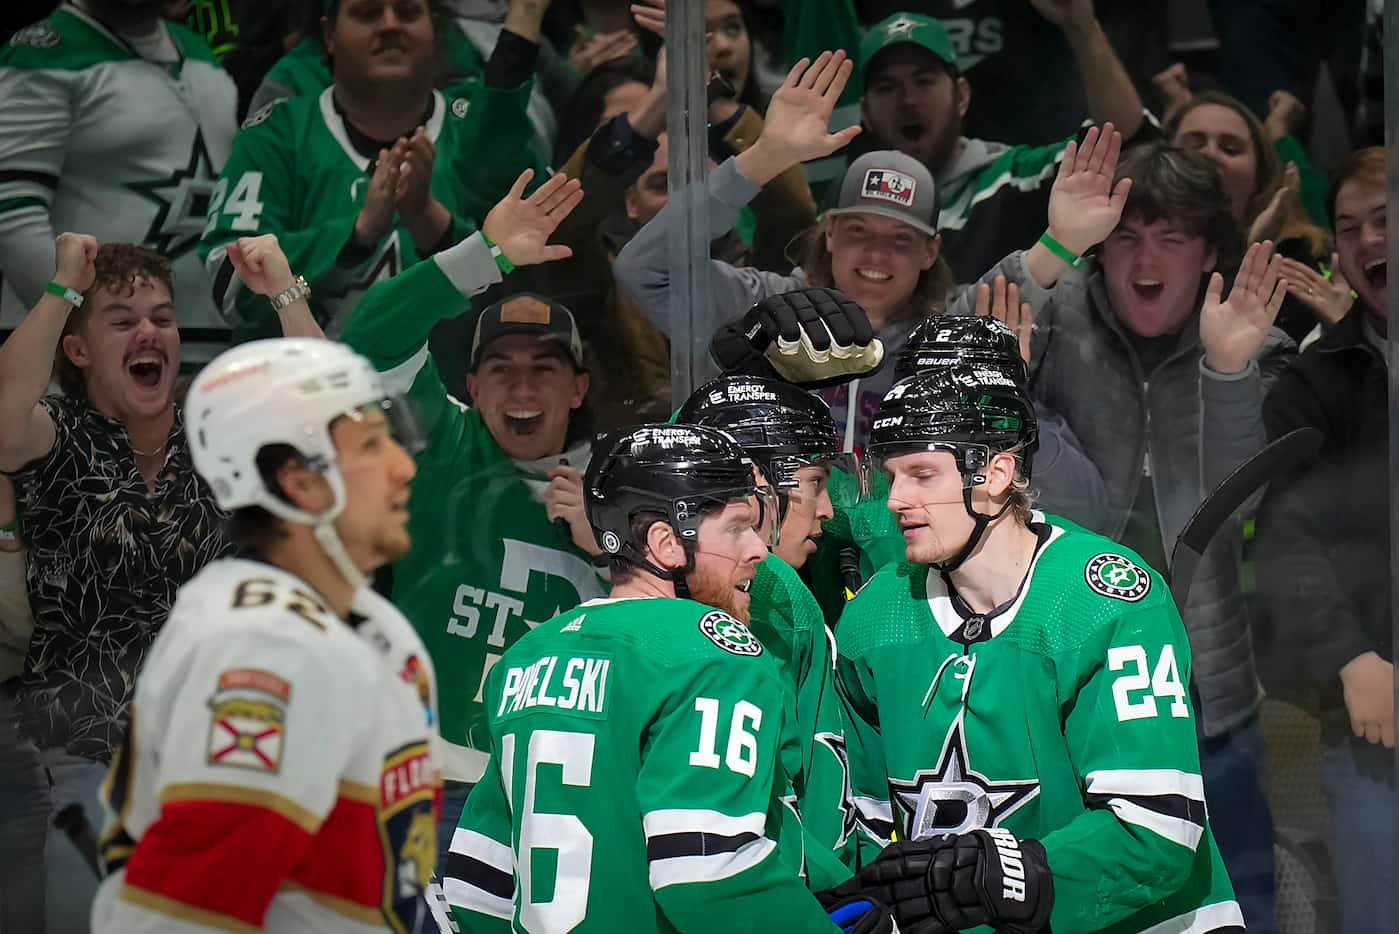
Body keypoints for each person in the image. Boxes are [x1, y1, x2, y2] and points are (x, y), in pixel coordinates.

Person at [968, 128, 1293, 933]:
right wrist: (1047, 250)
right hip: (1059, 682)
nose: (1144, 260)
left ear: (1210, 250)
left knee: (1229, 910)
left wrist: (1227, 374)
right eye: (1123, 239)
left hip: (1206, 691)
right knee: (1067, 901)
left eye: (1171, 239)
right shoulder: (1056, 321)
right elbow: (954, 347)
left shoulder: (1258, 342)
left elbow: (1238, 502)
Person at [835, 364, 1243, 933]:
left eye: (922, 474)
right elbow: (865, 824)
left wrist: (1005, 874)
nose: (897, 499)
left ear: (997, 472)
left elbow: (1159, 830)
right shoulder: (874, 618)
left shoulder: (1110, 601)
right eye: (891, 476)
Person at [444, 422, 894, 933]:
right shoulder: (712, 650)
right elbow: (711, 873)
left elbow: (476, 884)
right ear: (664, 543)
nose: (758, 550)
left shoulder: (526, 658)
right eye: (736, 528)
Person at [0, 231, 321, 933]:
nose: (149, 331)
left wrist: (285, 292)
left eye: (163, 318)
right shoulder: (57, 436)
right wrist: (62, 288)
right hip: (82, 764)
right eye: (122, 320)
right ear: (80, 351)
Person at [90, 338, 443, 933]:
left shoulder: (372, 625)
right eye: (372, 445)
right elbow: (189, 917)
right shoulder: (267, 646)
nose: (404, 466)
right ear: (299, 482)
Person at [342, 168, 612, 872]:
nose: (521, 386)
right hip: (427, 778)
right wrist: (481, 255)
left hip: (566, 784)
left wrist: (609, 544)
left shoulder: (622, 479)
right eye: (499, 368)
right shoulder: (441, 442)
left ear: (578, 386)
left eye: (545, 368)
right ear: (469, 385)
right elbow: (370, 340)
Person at [616, 50, 963, 448]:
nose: (875, 254)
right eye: (857, 230)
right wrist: (767, 157)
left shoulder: (946, 341)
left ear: (930, 251)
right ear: (829, 231)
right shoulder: (763, 305)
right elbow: (645, 269)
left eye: (900, 238)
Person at [199, 0, 546, 344]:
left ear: (435, 31)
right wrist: (356, 235)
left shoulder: (478, 135)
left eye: (408, 13)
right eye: (367, 13)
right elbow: (228, 283)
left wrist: (435, 229)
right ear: (329, 34)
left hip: (454, 397)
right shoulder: (277, 136)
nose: (390, 25)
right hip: (302, 395)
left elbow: (541, 289)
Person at [1251, 146, 1393, 934]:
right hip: (1376, 722)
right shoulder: (1317, 381)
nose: (1368, 239)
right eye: (1348, 227)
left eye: (1384, 218)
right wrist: (1353, 658)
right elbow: (1287, 532)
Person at [802, 7, 1147, 280]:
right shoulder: (847, 207)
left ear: (962, 97)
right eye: (886, 87)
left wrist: (1082, 29)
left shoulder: (1014, 177)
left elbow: (1123, 139)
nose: (907, 100)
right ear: (866, 112)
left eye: (924, 81)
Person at [0, 0, 238, 367]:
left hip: (208, 348)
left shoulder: (199, 52)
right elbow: (12, 217)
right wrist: (91, 330)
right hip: (80, 364)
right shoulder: (41, 53)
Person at [675, 374, 853, 856]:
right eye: (815, 484)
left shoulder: (782, 593)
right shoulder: (782, 594)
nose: (828, 511)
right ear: (756, 482)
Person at [1166, 90, 1337, 345]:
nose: (1209, 154)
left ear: (1259, 181)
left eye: (1230, 148)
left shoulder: (1289, 260)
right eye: (1193, 144)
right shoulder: (1123, 239)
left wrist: (1255, 254)